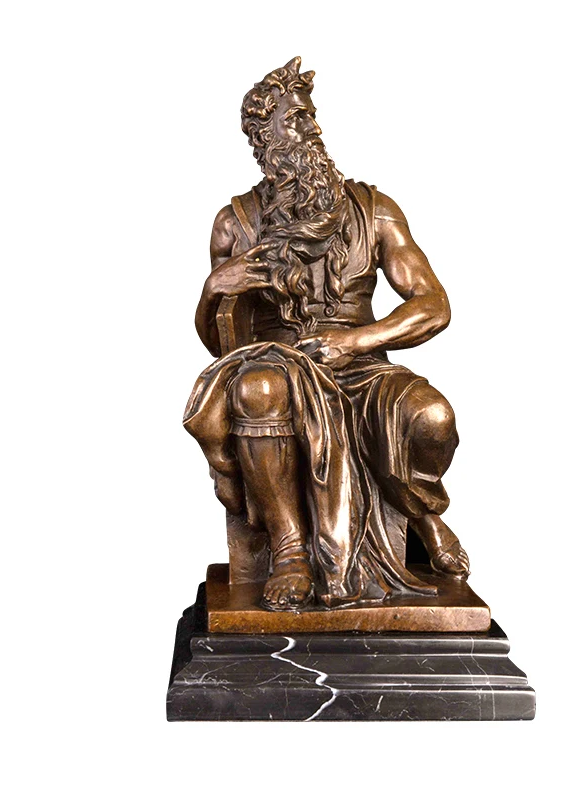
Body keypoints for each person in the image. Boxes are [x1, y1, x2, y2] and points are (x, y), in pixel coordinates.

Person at [184, 58, 469, 610]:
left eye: (311, 116)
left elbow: (433, 305)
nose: (310, 128)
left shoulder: (374, 210)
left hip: (362, 363)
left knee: (432, 416)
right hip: (279, 358)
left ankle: (422, 511)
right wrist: (215, 289)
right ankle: (289, 549)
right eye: (295, 119)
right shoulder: (235, 223)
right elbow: (218, 343)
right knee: (257, 389)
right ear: (264, 138)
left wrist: (355, 341)